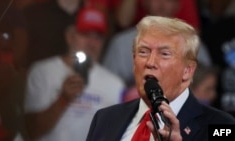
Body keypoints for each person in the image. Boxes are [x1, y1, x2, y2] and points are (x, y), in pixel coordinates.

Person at [86, 16, 235, 141]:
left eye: (164, 54)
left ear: (187, 71)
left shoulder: (221, 126)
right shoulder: (104, 119)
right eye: (143, 52)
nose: (150, 62)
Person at [24, 7, 125, 141]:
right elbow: (31, 131)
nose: (92, 43)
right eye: (86, 34)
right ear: (70, 36)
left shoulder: (115, 84)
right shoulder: (42, 72)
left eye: (98, 37)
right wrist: (63, 99)